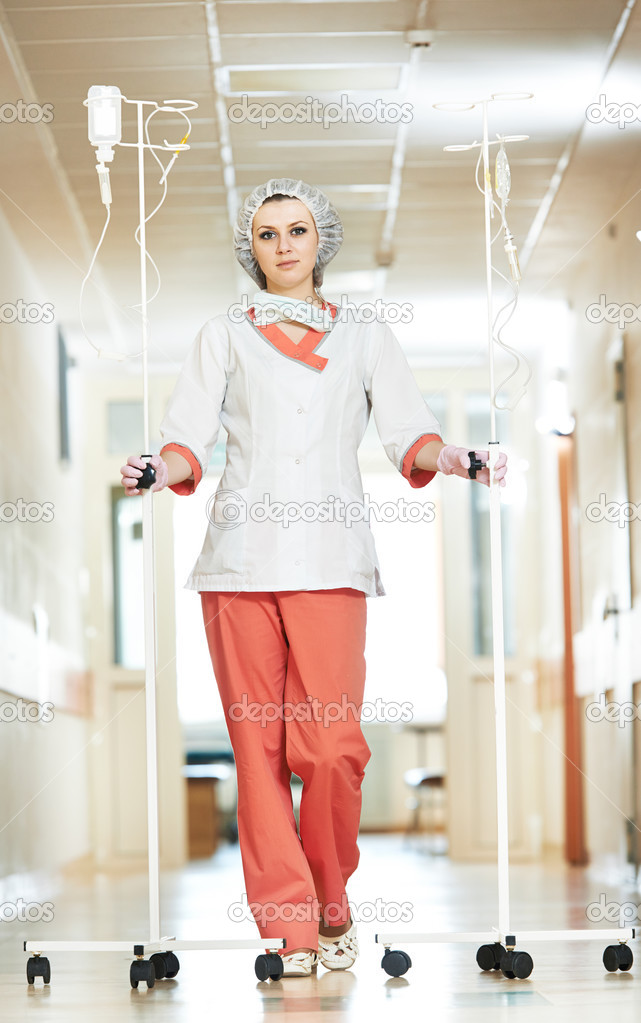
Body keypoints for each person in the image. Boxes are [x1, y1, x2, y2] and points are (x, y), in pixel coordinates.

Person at [120, 178, 508, 978]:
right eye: (267, 234)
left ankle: (333, 899)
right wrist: (159, 467)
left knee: (330, 746)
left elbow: (409, 431)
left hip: (331, 561)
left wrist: (461, 458)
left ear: (319, 241)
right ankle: (290, 928)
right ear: (250, 248)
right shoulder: (222, 333)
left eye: (297, 230)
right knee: (256, 749)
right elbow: (189, 439)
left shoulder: (364, 334)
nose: (283, 245)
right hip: (239, 562)